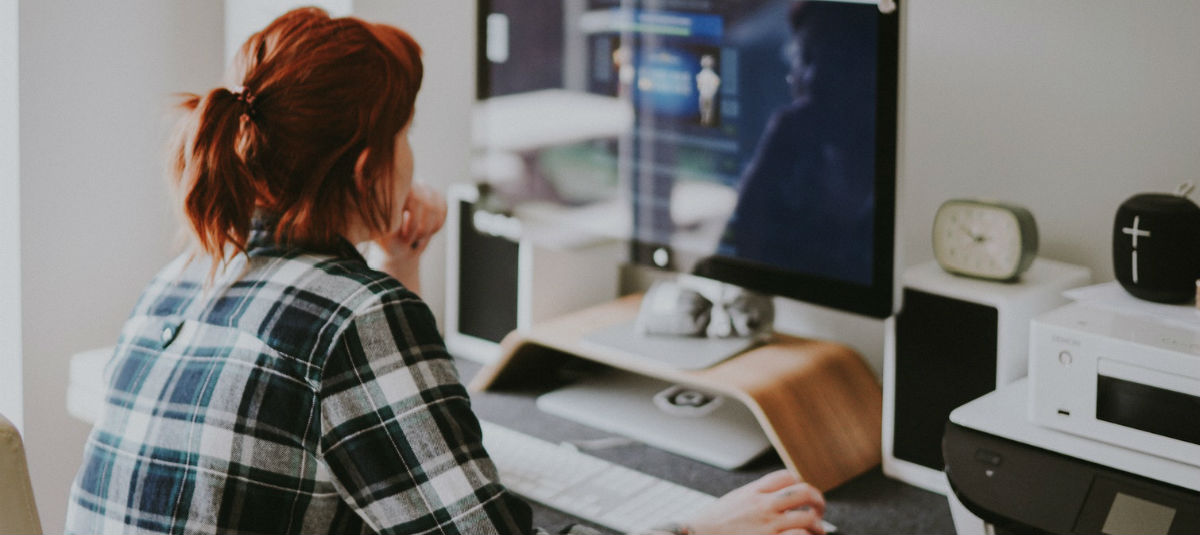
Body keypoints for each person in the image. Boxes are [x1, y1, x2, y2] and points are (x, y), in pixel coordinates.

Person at [65, 8, 827, 535]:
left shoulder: (189, 271)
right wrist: (702, 526)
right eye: (407, 134)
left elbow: (378, 443)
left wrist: (394, 267)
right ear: (370, 165)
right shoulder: (354, 316)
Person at [718, 1, 878, 285]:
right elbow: (733, 255)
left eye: (836, 58)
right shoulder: (790, 147)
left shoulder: (892, 170)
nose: (814, 77)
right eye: (805, 56)